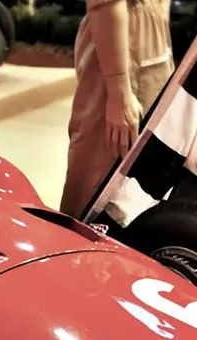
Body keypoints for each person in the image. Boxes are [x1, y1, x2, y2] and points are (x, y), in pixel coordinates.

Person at [59, 0, 174, 220]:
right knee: (99, 173)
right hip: (123, 37)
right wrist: (118, 92)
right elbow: (104, 4)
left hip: (148, 35)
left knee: (140, 170)